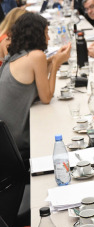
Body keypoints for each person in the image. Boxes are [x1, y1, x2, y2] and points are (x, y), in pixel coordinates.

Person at [0, 12, 71, 168]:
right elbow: (45, 97)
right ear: (37, 34)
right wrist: (56, 64)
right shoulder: (36, 56)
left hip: (6, 142)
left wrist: (54, 59)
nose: (49, 38)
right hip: (18, 142)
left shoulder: (17, 54)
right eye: (46, 33)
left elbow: (37, 76)